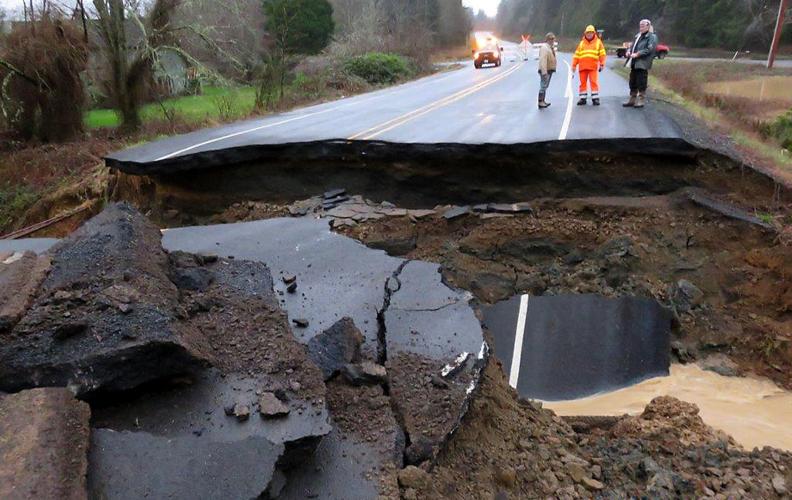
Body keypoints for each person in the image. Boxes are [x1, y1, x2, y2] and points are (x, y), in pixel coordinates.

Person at [623, 19, 659, 109]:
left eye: (643, 26)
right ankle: (632, 99)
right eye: (640, 26)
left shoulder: (652, 37)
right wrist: (629, 51)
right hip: (634, 62)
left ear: (648, 26)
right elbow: (632, 46)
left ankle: (641, 99)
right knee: (632, 81)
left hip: (643, 63)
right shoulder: (637, 36)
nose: (641, 27)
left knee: (641, 81)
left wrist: (638, 54)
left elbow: (649, 49)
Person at [571, 25, 607, 106]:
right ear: (585, 33)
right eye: (588, 33)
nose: (589, 34)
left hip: (592, 67)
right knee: (582, 83)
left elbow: (602, 54)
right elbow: (576, 55)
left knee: (593, 82)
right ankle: (583, 98)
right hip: (582, 67)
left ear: (594, 33)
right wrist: (574, 65)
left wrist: (602, 64)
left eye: (591, 32)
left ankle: (595, 98)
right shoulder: (581, 43)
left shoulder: (598, 42)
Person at [537, 32, 557, 109]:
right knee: (543, 86)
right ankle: (540, 102)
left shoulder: (550, 47)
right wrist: (544, 72)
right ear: (547, 39)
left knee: (545, 86)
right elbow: (543, 60)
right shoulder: (544, 48)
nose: (552, 40)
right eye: (551, 39)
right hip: (545, 70)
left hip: (549, 70)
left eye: (553, 39)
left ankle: (543, 100)